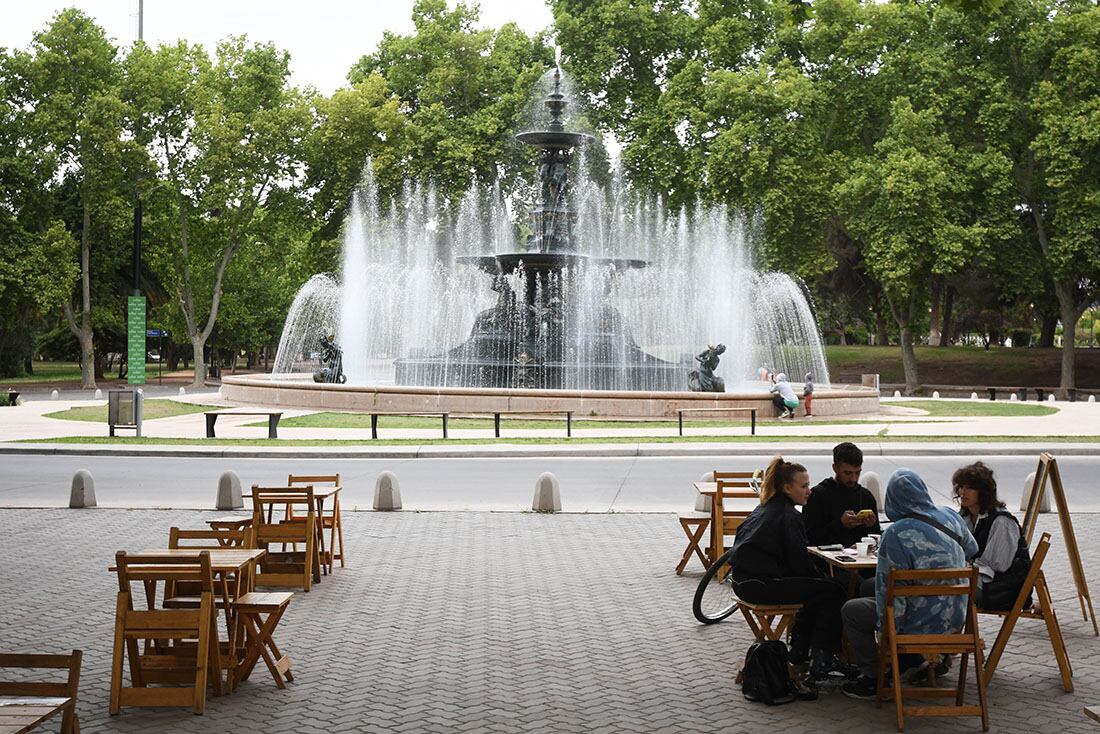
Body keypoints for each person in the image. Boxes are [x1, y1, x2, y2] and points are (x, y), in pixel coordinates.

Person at [840, 469, 979, 700]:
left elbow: (889, 595)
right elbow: (972, 549)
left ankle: (875, 677)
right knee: (868, 587)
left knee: (851, 610)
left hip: (919, 623)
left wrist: (887, 637)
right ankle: (918, 661)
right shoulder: (951, 516)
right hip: (955, 617)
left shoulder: (895, 534)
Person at [728, 456, 855, 683]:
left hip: (743, 582)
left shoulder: (766, 507)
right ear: (787, 488)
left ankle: (800, 650)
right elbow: (800, 562)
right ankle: (823, 658)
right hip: (761, 585)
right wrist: (822, 576)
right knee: (833, 590)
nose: (809, 491)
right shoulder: (789, 516)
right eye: (804, 486)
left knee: (816, 590)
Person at [953, 462, 1032, 611]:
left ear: (983, 492)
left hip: (1002, 591)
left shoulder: (1002, 522)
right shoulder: (966, 516)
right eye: (961, 486)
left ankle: (950, 633)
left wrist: (963, 568)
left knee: (945, 589)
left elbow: (997, 566)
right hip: (980, 582)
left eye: (969, 488)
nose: (963, 492)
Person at [803, 442, 881, 550]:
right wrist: (840, 524)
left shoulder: (866, 496)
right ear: (835, 468)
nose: (853, 479)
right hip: (827, 563)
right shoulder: (818, 495)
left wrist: (870, 526)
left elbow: (876, 538)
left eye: (857, 473)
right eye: (848, 473)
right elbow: (810, 538)